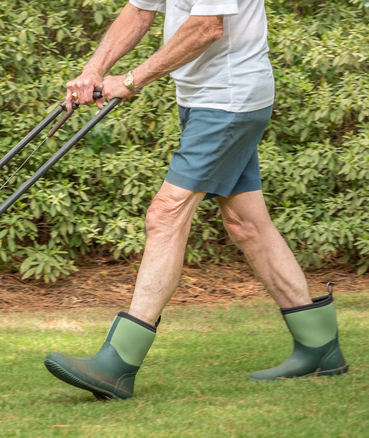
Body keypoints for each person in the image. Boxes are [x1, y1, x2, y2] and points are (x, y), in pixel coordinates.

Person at [44, 0, 349, 400]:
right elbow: (138, 10)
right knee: (247, 224)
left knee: (165, 213)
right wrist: (94, 70)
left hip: (229, 101)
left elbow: (207, 26)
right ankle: (320, 347)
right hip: (203, 101)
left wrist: (131, 80)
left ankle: (118, 363)